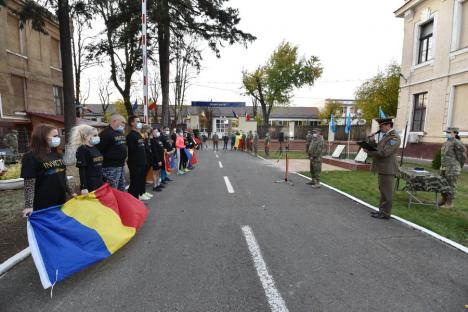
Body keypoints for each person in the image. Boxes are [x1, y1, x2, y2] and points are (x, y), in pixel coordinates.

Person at [20, 124, 76, 217]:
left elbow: (62, 175)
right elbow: (29, 184)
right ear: (42, 137)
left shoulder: (57, 154)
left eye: (58, 135)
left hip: (60, 199)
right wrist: (29, 206)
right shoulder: (30, 157)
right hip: (43, 202)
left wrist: (71, 192)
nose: (58, 138)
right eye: (55, 136)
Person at [365, 118, 401, 220]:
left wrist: (369, 152)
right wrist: (371, 141)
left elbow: (384, 153)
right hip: (383, 168)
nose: (380, 128)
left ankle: (385, 213)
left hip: (388, 169)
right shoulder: (386, 137)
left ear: (388, 125)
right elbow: (378, 148)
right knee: (383, 191)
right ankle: (382, 211)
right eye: (380, 126)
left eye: (381, 126)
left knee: (387, 192)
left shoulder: (394, 138)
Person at [69, 125, 105, 195]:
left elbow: (99, 166)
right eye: (95, 135)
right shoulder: (82, 149)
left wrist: (104, 179)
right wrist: (84, 187)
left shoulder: (95, 148)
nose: (97, 137)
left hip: (99, 181)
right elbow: (82, 170)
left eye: (97, 135)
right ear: (86, 136)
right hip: (90, 183)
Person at [96, 113, 127, 191]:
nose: (124, 124)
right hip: (110, 167)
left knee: (121, 188)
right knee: (113, 189)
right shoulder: (105, 134)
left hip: (120, 165)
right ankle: (113, 203)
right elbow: (99, 150)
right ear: (114, 121)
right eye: (122, 122)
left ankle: (120, 203)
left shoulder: (119, 132)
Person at [439, 127, 466, 208]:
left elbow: (462, 157)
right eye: (446, 132)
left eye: (449, 132)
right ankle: (443, 200)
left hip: (452, 168)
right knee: (442, 183)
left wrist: (458, 166)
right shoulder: (447, 142)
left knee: (451, 185)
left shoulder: (457, 143)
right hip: (444, 167)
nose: (447, 133)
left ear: (455, 133)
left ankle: (449, 203)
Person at [126, 116, 149, 201]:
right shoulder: (131, 135)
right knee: (134, 183)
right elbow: (131, 151)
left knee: (140, 181)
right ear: (132, 123)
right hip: (135, 164)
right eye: (138, 121)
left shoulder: (139, 134)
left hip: (142, 162)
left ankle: (138, 198)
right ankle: (132, 200)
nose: (140, 123)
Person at [141, 124, 155, 199]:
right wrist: (146, 139)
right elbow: (145, 147)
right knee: (142, 176)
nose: (150, 131)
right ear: (145, 129)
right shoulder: (143, 136)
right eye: (149, 129)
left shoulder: (148, 136)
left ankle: (143, 191)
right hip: (145, 158)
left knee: (144, 176)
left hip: (149, 157)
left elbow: (150, 147)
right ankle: (141, 192)